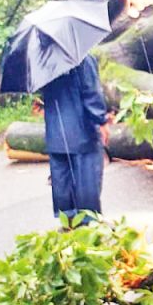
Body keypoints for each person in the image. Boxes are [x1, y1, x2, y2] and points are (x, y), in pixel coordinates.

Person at [41, 54, 109, 222]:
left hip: (55, 134)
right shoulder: (82, 58)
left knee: (62, 183)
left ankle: (68, 224)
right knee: (87, 182)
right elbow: (91, 93)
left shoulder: (44, 60)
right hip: (82, 132)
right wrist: (101, 121)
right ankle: (88, 224)